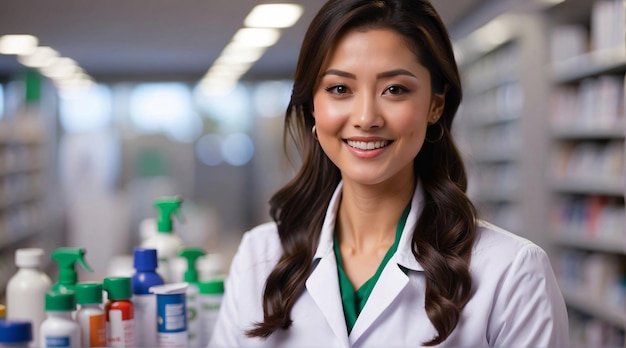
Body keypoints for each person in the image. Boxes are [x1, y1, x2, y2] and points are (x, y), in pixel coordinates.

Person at [209, 0, 570, 346]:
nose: (366, 117)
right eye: (339, 89)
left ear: (435, 105)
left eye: (395, 89)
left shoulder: (512, 271)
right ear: (312, 108)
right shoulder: (259, 255)